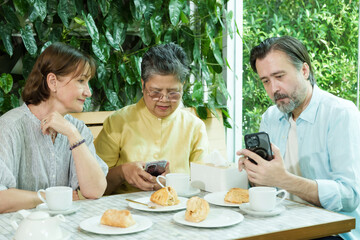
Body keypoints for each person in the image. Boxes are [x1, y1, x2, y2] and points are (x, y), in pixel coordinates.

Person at [237, 36, 360, 240]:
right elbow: (268, 189)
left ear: (304, 70)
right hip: (282, 223)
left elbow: (350, 196)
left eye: (279, 76)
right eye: (266, 81)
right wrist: (256, 174)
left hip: (332, 232)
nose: (274, 89)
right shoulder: (271, 117)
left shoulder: (341, 114)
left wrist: (283, 180)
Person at [0, 42, 108, 213]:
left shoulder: (76, 128)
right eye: (81, 81)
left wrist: (72, 134)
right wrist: (49, 197)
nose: (88, 92)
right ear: (53, 82)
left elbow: (95, 190)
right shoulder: (9, 128)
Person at [94, 43, 208, 194]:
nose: (164, 99)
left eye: (173, 93)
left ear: (183, 86)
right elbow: (94, 183)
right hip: (127, 212)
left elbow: (204, 184)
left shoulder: (194, 127)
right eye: (155, 92)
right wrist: (122, 172)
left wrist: (176, 182)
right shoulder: (118, 122)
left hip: (178, 209)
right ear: (143, 85)